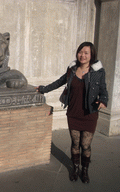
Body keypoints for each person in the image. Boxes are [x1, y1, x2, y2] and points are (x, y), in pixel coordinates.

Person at [37, 42, 108, 183]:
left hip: (90, 113)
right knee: (75, 143)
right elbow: (59, 82)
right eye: (80, 52)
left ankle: (85, 171)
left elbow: (103, 90)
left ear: (91, 54)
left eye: (86, 53)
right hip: (73, 113)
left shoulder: (98, 72)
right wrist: (43, 89)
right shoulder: (72, 69)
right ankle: (75, 169)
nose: (82, 55)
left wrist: (104, 101)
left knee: (85, 145)